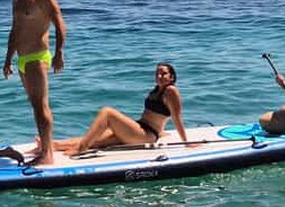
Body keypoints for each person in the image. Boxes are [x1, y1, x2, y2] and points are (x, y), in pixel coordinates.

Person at [3, 0, 66, 165]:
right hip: (22, 59)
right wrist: (8, 59)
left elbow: (59, 23)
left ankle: (47, 154)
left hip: (38, 57)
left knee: (41, 106)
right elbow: (15, 29)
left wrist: (59, 52)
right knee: (35, 104)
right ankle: (45, 144)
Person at [55, 63, 189, 156]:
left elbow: (176, 118)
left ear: (172, 77)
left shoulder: (171, 91)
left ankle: (81, 148)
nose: (159, 76)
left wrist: (186, 142)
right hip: (139, 129)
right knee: (97, 140)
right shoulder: (157, 90)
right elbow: (154, 116)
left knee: (107, 112)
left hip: (146, 135)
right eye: (157, 74)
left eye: (163, 74)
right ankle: (53, 145)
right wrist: (161, 132)